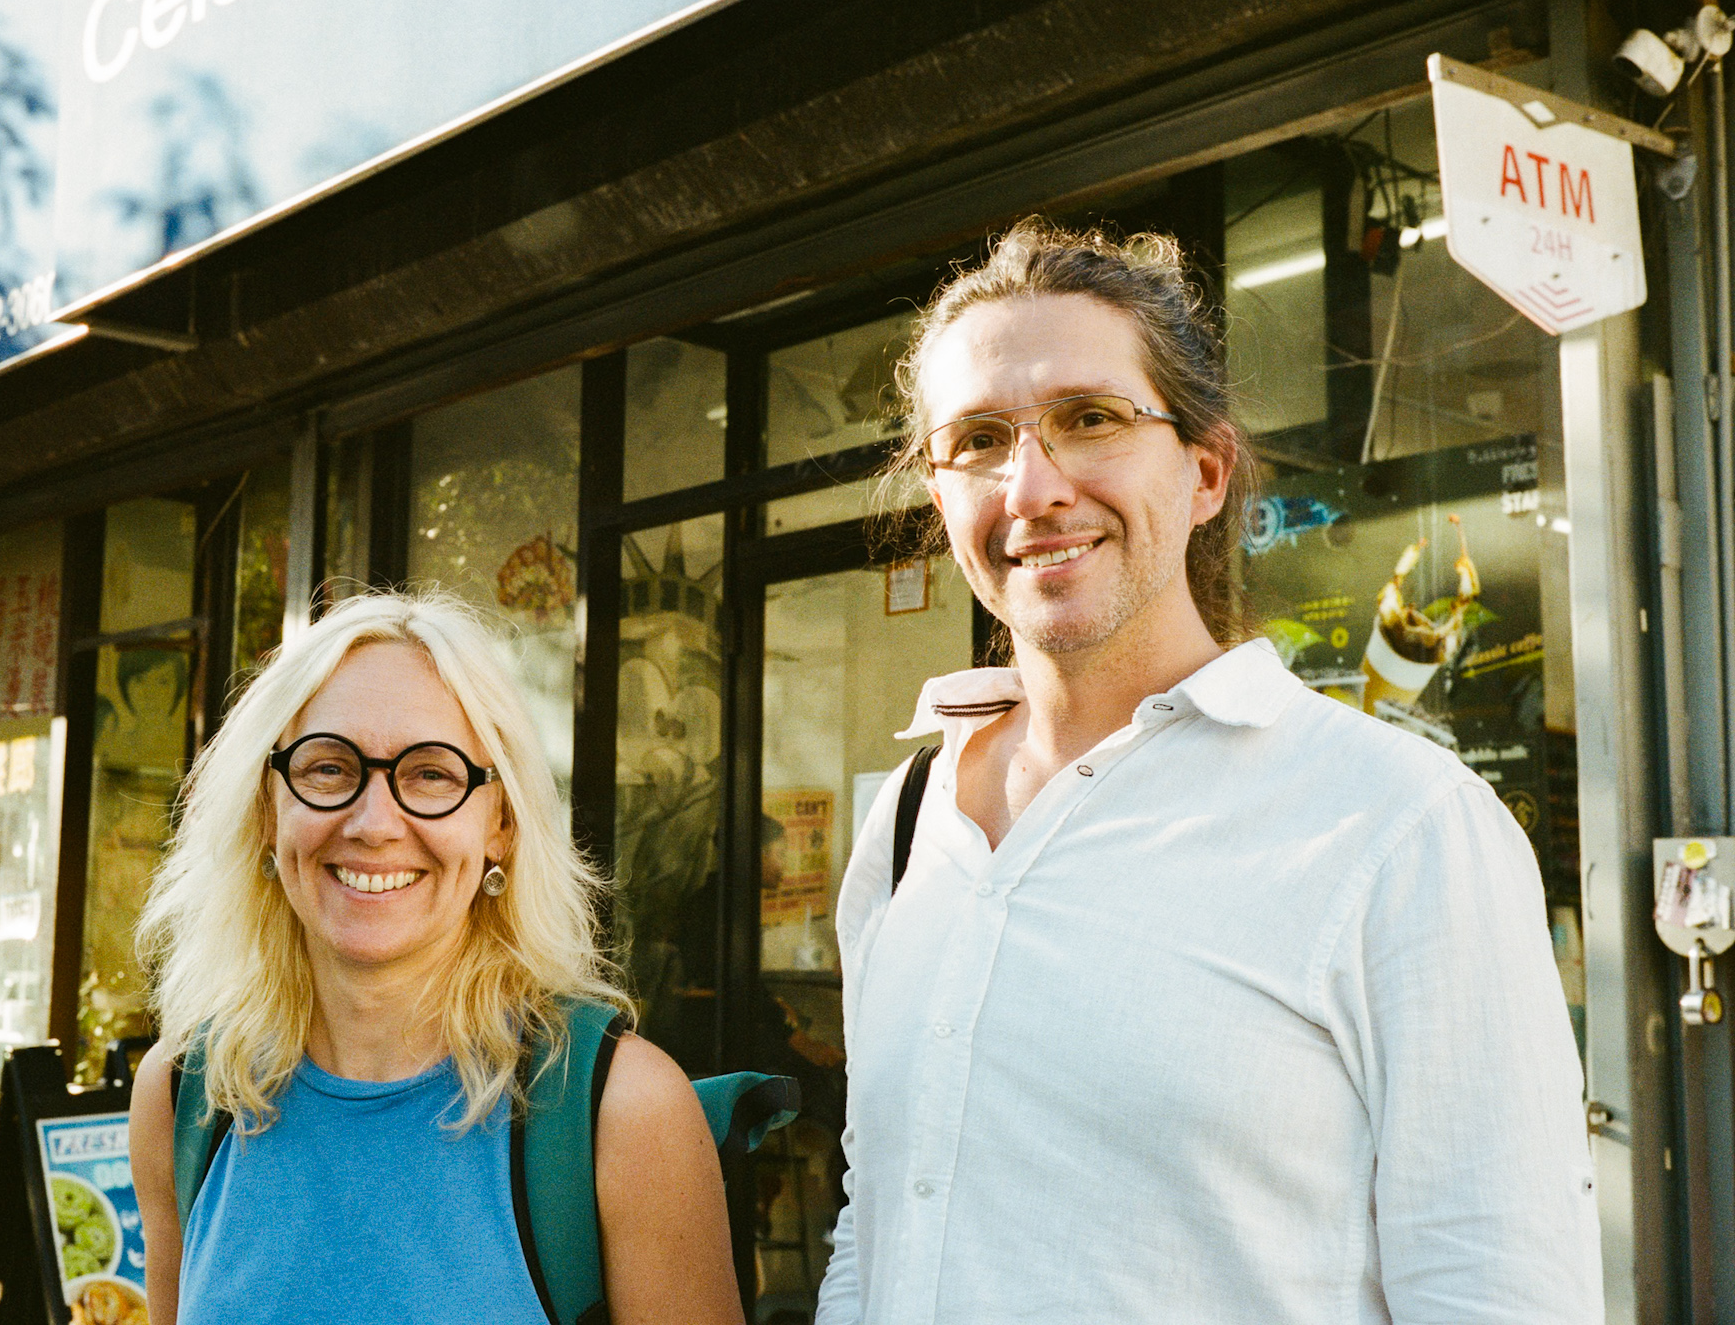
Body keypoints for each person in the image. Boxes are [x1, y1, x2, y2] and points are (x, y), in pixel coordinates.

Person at [813, 220, 1599, 1324]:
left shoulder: (1400, 824)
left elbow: (1497, 1294)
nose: (1031, 486)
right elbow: (878, 1216)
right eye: (978, 440)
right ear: (939, 498)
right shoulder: (908, 822)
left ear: (1205, 471)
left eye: (1089, 419)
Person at [129, 591, 743, 1325]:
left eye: (431, 774)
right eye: (327, 768)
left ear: (501, 824)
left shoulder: (624, 1109)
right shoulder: (184, 1095)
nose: (374, 824)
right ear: (268, 809)